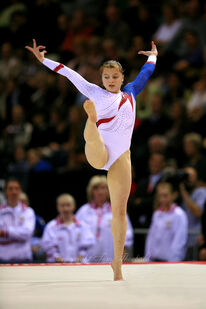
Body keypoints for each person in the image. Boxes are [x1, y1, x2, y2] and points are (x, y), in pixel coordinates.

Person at [25, 39, 157, 280]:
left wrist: (153, 56)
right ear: (102, 78)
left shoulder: (131, 92)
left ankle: (117, 263)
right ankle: (91, 119)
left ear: (122, 76)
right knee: (94, 140)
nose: (110, 80)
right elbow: (69, 73)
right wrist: (44, 60)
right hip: (98, 151)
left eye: (114, 76)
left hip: (121, 157)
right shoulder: (94, 91)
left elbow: (147, 72)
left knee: (119, 211)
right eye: (106, 77)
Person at [76, 175, 133, 262]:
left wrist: (123, 253)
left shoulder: (117, 210)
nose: (100, 192)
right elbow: (74, 233)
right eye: (96, 188)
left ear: (109, 190)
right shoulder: (83, 211)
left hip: (110, 258)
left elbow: (126, 232)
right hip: (86, 259)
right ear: (91, 191)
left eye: (103, 188)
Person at [41, 193, 95, 263]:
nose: (65, 208)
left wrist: (78, 259)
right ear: (58, 207)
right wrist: (59, 260)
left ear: (74, 206)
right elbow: (48, 247)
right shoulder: (51, 227)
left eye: (68, 205)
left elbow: (87, 245)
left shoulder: (83, 226)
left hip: (80, 266)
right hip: (57, 266)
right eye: (62, 205)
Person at [145, 182, 188, 262]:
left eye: (165, 195)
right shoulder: (157, 214)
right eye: (159, 196)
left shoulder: (179, 214)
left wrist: (174, 260)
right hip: (155, 259)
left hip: (170, 260)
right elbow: (151, 237)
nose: (162, 199)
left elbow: (179, 240)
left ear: (174, 195)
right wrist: (148, 257)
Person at [0, 178, 35, 263]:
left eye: (16, 188)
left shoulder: (28, 211)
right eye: (10, 189)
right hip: (3, 259)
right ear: (5, 191)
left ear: (20, 191)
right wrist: (19, 233)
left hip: (24, 258)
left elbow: (27, 233)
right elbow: (22, 233)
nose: (14, 192)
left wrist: (5, 233)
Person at [179, 167, 206, 260]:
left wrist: (183, 191)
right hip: (182, 239)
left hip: (195, 239)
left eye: (191, 176)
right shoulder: (179, 193)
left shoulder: (201, 192)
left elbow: (198, 212)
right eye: (186, 175)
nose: (189, 179)